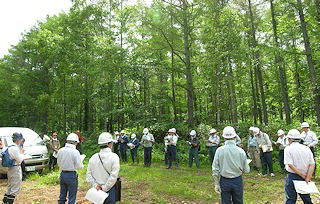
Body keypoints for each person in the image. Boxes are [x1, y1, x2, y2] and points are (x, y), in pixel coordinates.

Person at [212, 126, 250, 204]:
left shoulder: (219, 151)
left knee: (225, 202)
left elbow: (215, 169)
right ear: (235, 137)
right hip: (237, 180)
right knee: (238, 201)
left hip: (224, 180)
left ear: (224, 137)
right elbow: (246, 170)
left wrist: (216, 183)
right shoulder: (241, 151)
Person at [87, 132, 120, 204]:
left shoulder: (93, 157)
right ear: (109, 144)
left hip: (96, 191)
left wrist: (96, 185)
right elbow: (113, 176)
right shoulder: (114, 157)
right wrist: (104, 188)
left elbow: (89, 175)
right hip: (109, 190)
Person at [284, 129, 315, 204]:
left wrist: (300, 174)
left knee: (291, 199)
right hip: (305, 177)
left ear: (290, 139)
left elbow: (290, 165)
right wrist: (308, 177)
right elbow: (312, 164)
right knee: (307, 199)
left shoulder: (288, 149)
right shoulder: (307, 148)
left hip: (293, 176)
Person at [57, 133, 84, 204]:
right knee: (71, 197)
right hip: (71, 175)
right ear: (74, 142)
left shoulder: (60, 150)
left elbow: (58, 162)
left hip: (62, 174)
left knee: (62, 195)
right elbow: (79, 166)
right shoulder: (75, 152)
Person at [2, 133, 25, 204]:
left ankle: (5, 201)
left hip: (10, 168)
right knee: (14, 188)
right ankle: (9, 202)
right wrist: (22, 154)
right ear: (18, 140)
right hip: (15, 168)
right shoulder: (15, 148)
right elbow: (19, 160)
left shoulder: (10, 147)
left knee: (10, 186)